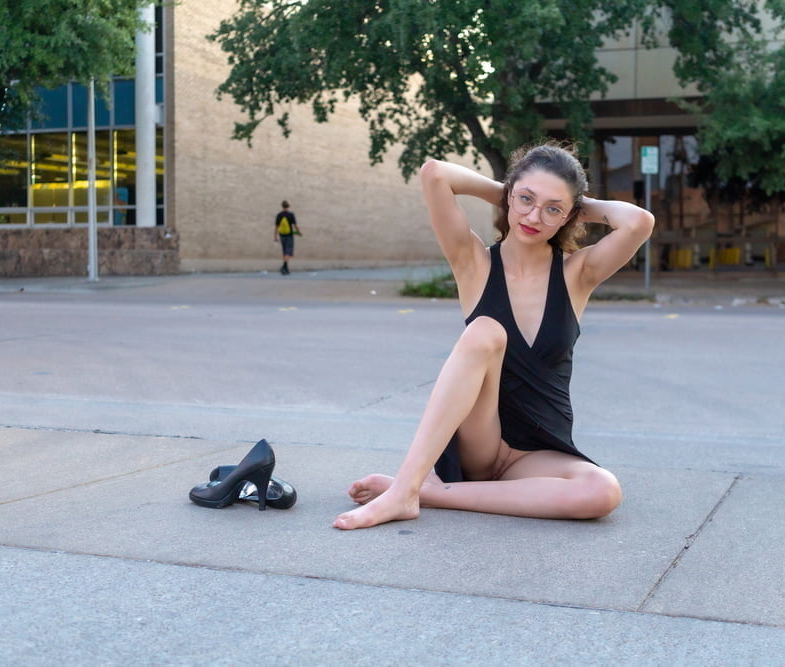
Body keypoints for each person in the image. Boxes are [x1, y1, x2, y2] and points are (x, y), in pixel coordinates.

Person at [333, 142, 654, 530]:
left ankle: (424, 492)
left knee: (603, 491)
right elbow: (436, 173)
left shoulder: (577, 273)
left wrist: (572, 206)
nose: (534, 216)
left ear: (568, 217)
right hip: (480, 443)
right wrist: (506, 194)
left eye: (553, 209)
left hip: (538, 451)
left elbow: (639, 222)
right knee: (486, 330)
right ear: (509, 195)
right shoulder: (474, 262)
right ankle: (404, 489)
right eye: (525, 199)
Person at [274, 200, 301, 274]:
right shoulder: (291, 214)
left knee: (284, 251)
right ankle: (284, 266)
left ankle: (286, 268)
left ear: (282, 206)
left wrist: (275, 237)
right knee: (288, 252)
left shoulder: (279, 215)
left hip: (281, 235)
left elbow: (276, 227)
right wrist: (299, 232)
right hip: (289, 235)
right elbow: (295, 226)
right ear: (288, 206)